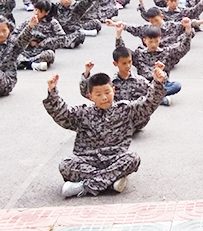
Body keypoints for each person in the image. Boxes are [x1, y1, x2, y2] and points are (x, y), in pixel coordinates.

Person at [43, 62, 167, 197]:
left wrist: (158, 83)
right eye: (98, 94)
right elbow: (63, 114)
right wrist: (52, 92)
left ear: (113, 90)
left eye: (107, 92)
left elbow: (147, 105)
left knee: (133, 159)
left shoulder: (125, 109)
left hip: (115, 158)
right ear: (91, 96)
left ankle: (83, 186)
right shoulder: (84, 112)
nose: (104, 97)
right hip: (88, 161)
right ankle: (111, 181)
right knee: (65, 165)